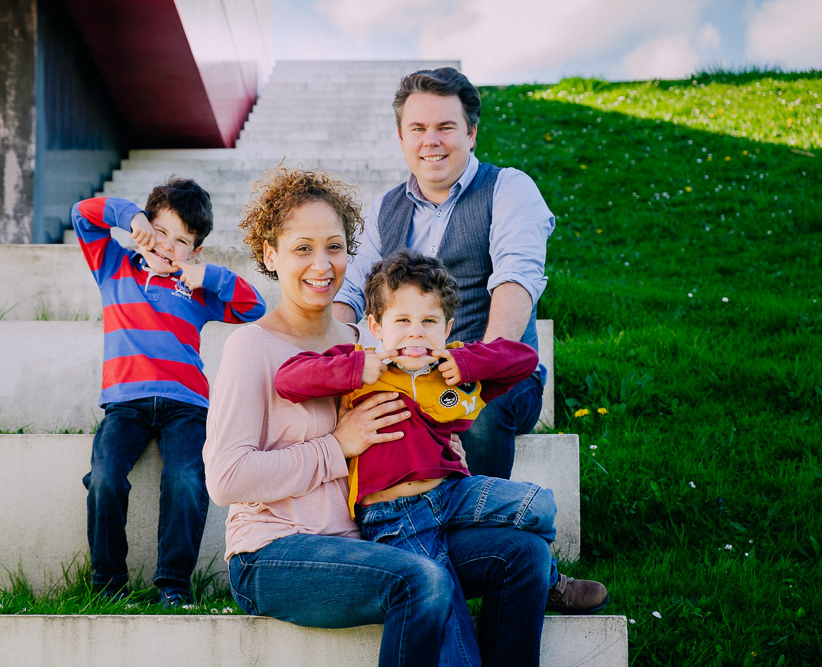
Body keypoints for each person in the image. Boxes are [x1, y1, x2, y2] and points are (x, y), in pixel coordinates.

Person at [204, 167, 554, 666]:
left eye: (334, 246)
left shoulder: (365, 347)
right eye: (302, 248)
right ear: (269, 254)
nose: (321, 264)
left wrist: (438, 443)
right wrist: (337, 446)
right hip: (276, 553)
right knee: (420, 578)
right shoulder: (252, 347)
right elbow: (226, 479)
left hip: (370, 538)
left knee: (524, 556)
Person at [332, 66, 608, 614]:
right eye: (417, 128)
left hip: (498, 375)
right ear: (401, 136)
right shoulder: (385, 208)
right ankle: (403, 551)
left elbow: (516, 278)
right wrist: (340, 352)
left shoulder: (509, 188)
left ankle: (531, 568)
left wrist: (475, 365)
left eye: (445, 126)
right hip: (405, 376)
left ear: (472, 132)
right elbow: (349, 293)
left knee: (477, 416)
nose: (430, 140)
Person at [275, 249, 560, 665]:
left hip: (451, 495)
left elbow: (524, 361)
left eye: (428, 322)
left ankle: (549, 576)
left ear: (447, 328)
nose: (416, 334)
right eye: (402, 321)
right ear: (375, 327)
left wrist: (463, 361)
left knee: (541, 505)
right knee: (456, 648)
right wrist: (359, 367)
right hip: (396, 516)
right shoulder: (363, 369)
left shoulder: (451, 375)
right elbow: (289, 379)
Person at [72, 179, 266, 605]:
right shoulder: (113, 266)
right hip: (124, 405)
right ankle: (108, 585)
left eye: (181, 241)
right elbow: (83, 215)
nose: (167, 246)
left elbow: (255, 308)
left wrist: (206, 275)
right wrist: (131, 219)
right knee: (104, 479)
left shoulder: (195, 289)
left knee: (187, 480)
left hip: (187, 407)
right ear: (146, 228)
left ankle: (174, 586)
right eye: (161, 232)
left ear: (194, 250)